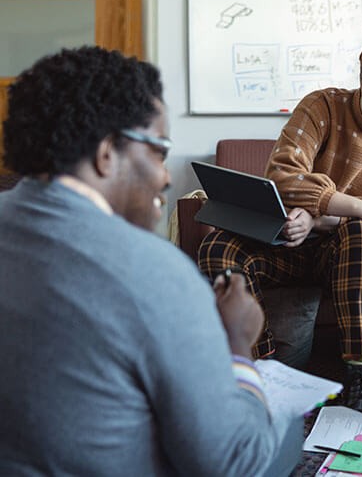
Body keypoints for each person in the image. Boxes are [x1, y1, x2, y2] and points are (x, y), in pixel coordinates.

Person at [0, 46, 303, 475]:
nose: (165, 175)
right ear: (107, 153)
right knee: (286, 429)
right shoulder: (155, 271)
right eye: (159, 151)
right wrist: (237, 345)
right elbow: (236, 464)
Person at [197, 33, 362, 410]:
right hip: (287, 245)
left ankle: (358, 378)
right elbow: (283, 177)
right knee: (216, 247)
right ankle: (262, 368)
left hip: (347, 253)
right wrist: (352, 206)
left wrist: (317, 213)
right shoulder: (321, 106)